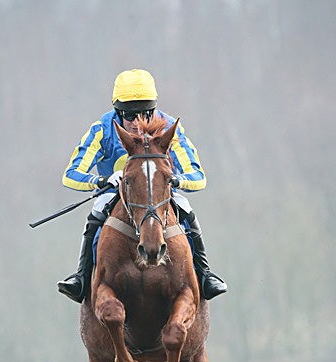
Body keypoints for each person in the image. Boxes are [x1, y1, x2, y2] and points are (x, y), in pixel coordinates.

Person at [57, 69, 227, 303]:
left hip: (161, 195)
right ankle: (81, 278)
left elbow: (198, 175)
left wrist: (175, 180)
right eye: (129, 115)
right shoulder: (102, 129)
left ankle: (206, 275)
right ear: (118, 112)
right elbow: (70, 174)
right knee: (96, 213)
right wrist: (100, 181)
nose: (138, 123)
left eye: (146, 114)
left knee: (186, 210)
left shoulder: (169, 127)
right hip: (116, 193)